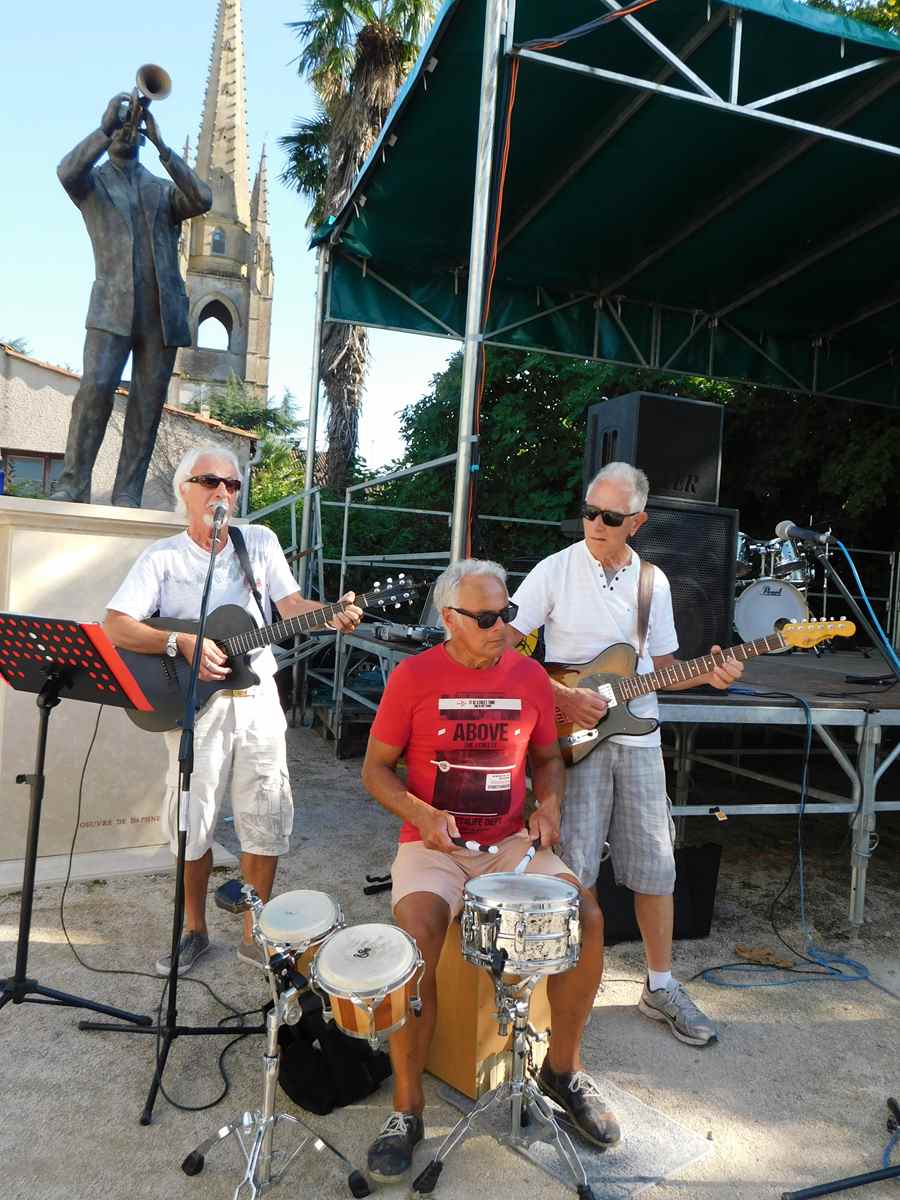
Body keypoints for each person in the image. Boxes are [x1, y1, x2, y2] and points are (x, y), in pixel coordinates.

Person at [361, 558, 616, 1186]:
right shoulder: (414, 677)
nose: (503, 625)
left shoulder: (530, 676)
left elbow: (549, 759)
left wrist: (548, 804)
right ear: (449, 620)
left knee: (585, 916)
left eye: (506, 613)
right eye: (487, 617)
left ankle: (562, 1069)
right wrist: (421, 813)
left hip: (508, 842)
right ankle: (407, 1108)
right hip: (433, 844)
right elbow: (375, 770)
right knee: (416, 936)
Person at [507, 461, 743, 1047]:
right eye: (588, 511)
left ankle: (659, 985)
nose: (594, 523)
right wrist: (561, 694)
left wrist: (709, 674)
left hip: (639, 739)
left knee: (656, 868)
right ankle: (563, 987)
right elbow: (502, 650)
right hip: (573, 743)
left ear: (636, 521)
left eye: (609, 517)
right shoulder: (552, 571)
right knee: (573, 869)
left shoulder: (652, 583)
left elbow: (662, 671)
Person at [103, 443, 362, 974]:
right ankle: (194, 930)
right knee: (192, 821)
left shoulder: (260, 542)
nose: (222, 492)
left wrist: (331, 613)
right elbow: (118, 624)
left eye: (232, 484)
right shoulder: (164, 557)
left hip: (259, 697)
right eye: (210, 482)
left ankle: (256, 934)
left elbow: (290, 608)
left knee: (265, 811)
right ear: (186, 491)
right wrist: (180, 644)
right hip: (196, 704)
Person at [51, 91, 212, 506]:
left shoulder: (161, 188)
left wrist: (163, 147)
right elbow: (66, 171)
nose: (125, 133)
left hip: (161, 314)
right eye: (119, 129)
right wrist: (105, 127)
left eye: (130, 128)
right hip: (111, 308)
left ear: (140, 136)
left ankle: (127, 493)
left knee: (147, 408)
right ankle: (73, 483)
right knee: (96, 390)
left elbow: (202, 199)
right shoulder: (91, 182)